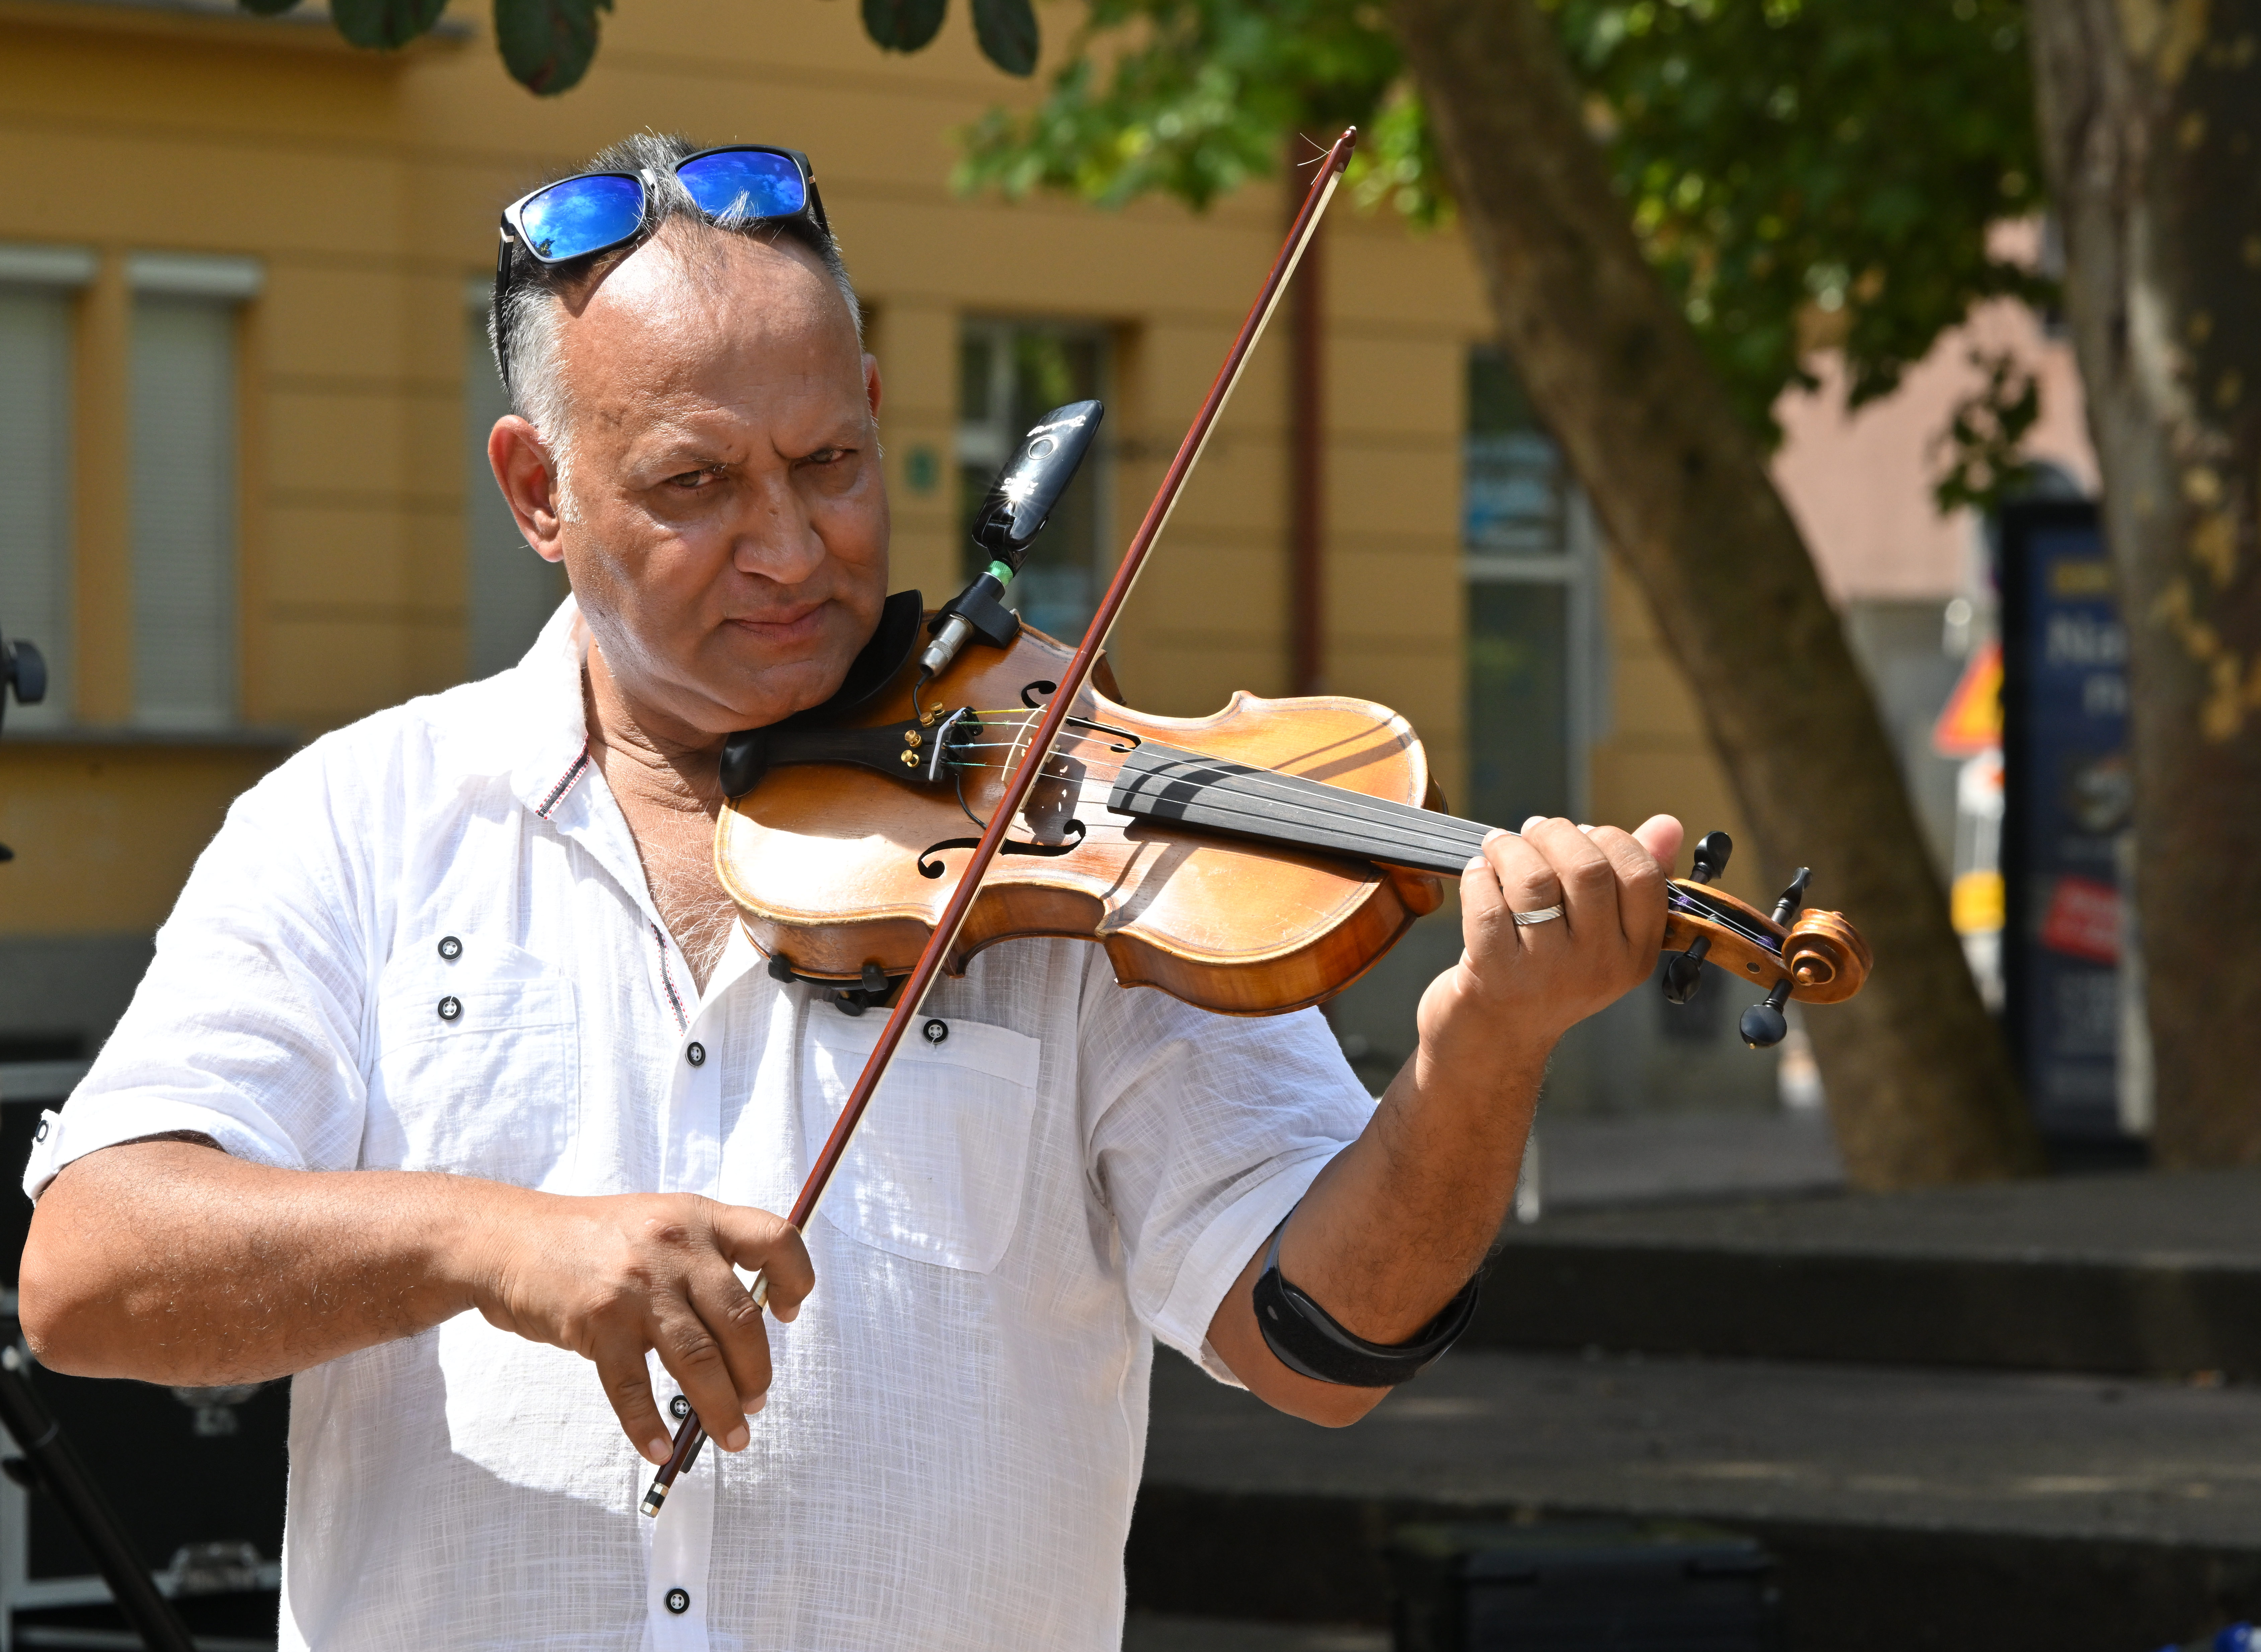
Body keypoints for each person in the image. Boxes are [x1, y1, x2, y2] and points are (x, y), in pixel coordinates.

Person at [16, 133, 1681, 1650]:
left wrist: (1484, 1051)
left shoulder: (1066, 829)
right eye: (695, 485)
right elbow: (89, 1272)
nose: (793, 547)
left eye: (829, 461)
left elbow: (1318, 1339)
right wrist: (487, 1241)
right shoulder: (359, 820)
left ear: (878, 411)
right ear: (538, 491)